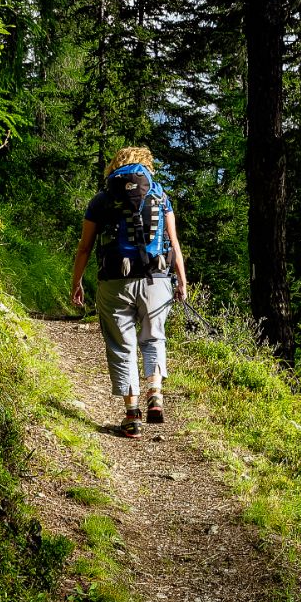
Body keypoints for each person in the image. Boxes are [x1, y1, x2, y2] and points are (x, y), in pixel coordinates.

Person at [69, 147, 189, 437]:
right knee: (153, 337)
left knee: (122, 345)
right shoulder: (160, 196)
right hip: (156, 280)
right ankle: (155, 393)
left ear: (116, 167)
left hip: (115, 282)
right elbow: (173, 244)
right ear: (147, 167)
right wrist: (182, 280)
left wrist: (77, 282)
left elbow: (85, 247)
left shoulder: (102, 199)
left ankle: (132, 415)